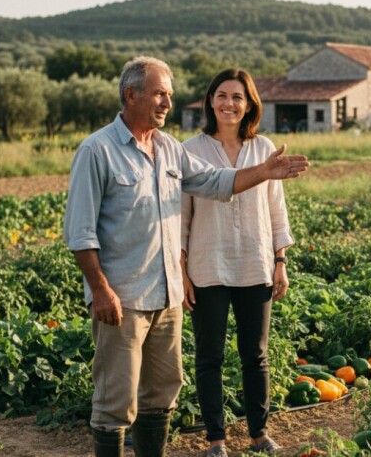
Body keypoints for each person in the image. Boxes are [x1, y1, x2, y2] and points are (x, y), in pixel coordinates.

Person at [63, 57, 307, 457]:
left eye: (170, 95)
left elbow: (214, 181)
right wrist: (100, 290)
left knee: (162, 393)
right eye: (159, 94)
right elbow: (80, 232)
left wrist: (263, 172)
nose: (167, 103)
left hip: (167, 297)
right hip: (123, 298)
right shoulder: (97, 150)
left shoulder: (169, 149)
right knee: (115, 400)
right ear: (131, 94)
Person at [181, 69, 292, 457]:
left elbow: (276, 209)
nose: (229, 103)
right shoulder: (190, 150)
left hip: (254, 262)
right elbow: (181, 216)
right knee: (209, 356)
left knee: (255, 355)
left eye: (237, 97)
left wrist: (280, 259)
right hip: (206, 264)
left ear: (249, 105)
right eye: (222, 95)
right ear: (210, 101)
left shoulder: (263, 149)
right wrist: (181, 269)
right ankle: (216, 440)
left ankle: (259, 434)